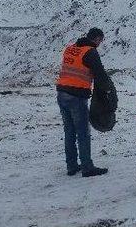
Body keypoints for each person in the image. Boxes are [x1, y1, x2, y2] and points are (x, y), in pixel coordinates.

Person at [56, 27, 110, 177]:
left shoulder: (70, 49)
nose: (100, 43)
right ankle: (87, 167)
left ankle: (71, 166)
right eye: (100, 40)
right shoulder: (90, 52)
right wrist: (107, 91)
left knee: (69, 131)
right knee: (83, 132)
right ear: (97, 39)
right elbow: (100, 73)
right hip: (76, 96)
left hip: (61, 93)